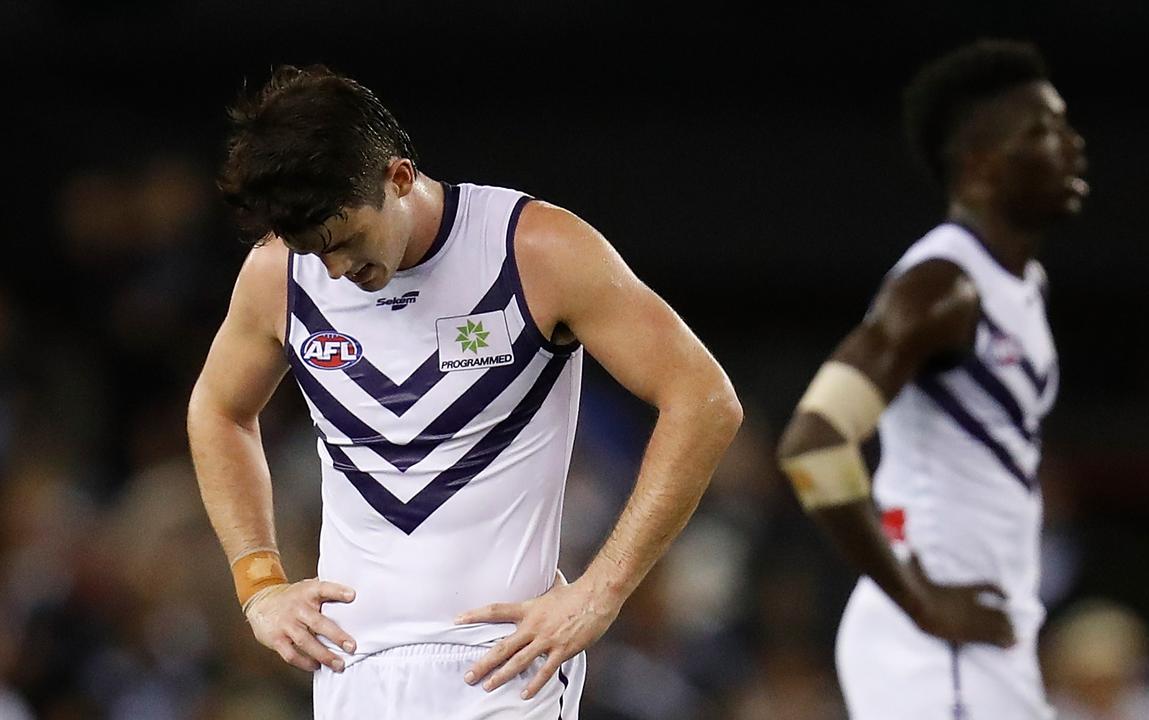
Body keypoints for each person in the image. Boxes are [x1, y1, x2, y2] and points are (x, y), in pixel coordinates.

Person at [187, 65, 742, 719]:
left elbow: (703, 399)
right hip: (351, 671)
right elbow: (219, 409)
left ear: (398, 178)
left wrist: (602, 588)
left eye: (346, 241)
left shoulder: (535, 251)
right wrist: (258, 584)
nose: (338, 271)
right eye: (316, 253)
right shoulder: (280, 276)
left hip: (501, 669)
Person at [776, 39, 1087, 718]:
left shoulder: (1020, 286)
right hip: (934, 642)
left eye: (1065, 125)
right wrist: (919, 600)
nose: (1071, 145)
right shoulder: (940, 289)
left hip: (986, 640)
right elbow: (813, 442)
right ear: (979, 167)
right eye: (1042, 130)